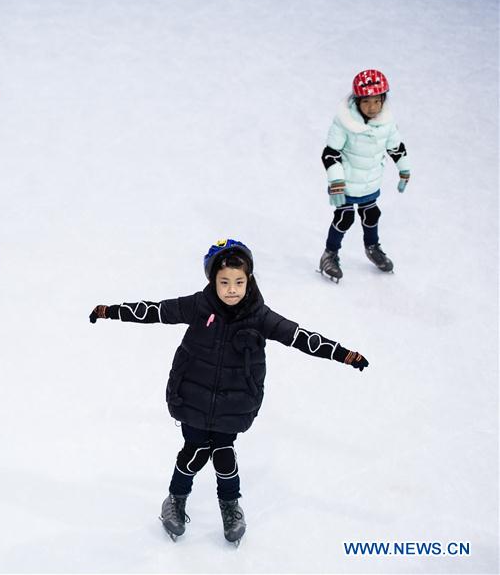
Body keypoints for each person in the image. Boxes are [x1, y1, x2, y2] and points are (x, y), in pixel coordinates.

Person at [89, 239, 369, 544]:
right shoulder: (198, 306)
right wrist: (110, 310)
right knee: (194, 452)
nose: (232, 289)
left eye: (239, 281)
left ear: (249, 280)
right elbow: (155, 311)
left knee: (223, 454)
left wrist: (344, 354)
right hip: (192, 397)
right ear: (213, 281)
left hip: (235, 403)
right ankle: (175, 500)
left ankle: (230, 505)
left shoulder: (260, 317)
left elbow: (300, 337)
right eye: (224, 282)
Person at [319, 69, 412, 282]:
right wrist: (336, 179)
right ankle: (329, 254)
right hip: (344, 184)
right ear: (357, 101)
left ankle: (372, 247)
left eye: (377, 101)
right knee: (345, 218)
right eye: (367, 102)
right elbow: (330, 153)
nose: (373, 107)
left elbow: (396, 147)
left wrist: (404, 168)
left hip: (370, 183)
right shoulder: (344, 123)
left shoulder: (386, 123)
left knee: (371, 215)